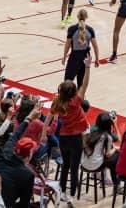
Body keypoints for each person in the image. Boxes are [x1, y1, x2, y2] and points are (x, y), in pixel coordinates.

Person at [48, 55, 92, 202]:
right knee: (74, 168)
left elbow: (49, 116)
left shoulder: (57, 102)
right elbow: (85, 84)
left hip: (64, 138)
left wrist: (43, 132)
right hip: (76, 139)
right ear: (73, 92)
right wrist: (87, 66)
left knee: (66, 165)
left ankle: (61, 190)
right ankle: (72, 195)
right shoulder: (76, 101)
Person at [62, 9, 100, 85]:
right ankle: (81, 97)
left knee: (67, 82)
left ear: (77, 17)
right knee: (81, 85)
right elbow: (95, 47)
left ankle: (67, 96)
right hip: (86, 58)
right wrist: (97, 59)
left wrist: (64, 56)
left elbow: (67, 45)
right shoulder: (90, 30)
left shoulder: (72, 29)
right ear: (86, 17)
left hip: (75, 57)